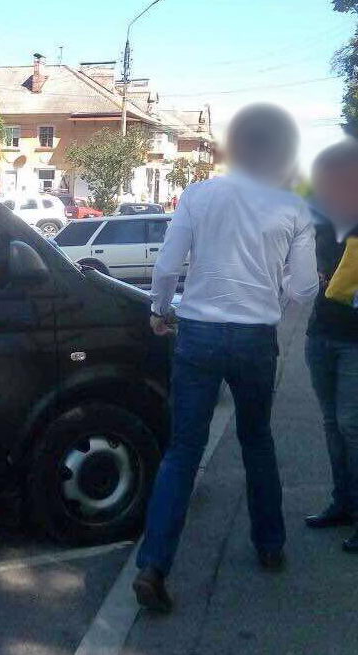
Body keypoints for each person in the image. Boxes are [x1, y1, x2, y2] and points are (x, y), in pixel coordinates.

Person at [133, 104, 319, 613]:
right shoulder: (292, 207)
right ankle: (270, 545)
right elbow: (304, 287)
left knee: (182, 451)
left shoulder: (199, 196)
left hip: (197, 335)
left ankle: (154, 566)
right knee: (257, 440)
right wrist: (273, 290)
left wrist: (159, 310)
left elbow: (167, 267)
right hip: (255, 339)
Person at [303, 139, 358, 553]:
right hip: (320, 331)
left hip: (354, 339)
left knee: (351, 426)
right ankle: (342, 502)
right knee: (331, 423)